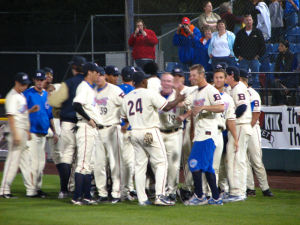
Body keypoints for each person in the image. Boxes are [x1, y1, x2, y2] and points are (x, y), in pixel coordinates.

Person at [120, 71, 185, 206]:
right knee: (161, 163)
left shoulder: (127, 97)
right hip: (149, 132)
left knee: (140, 166)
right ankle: (160, 196)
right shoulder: (149, 93)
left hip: (135, 133)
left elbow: (124, 117)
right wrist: (179, 99)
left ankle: (142, 199)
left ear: (133, 83)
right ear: (143, 82)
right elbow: (166, 107)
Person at [181, 64, 224, 206]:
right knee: (206, 167)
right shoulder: (195, 92)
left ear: (201, 75)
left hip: (208, 133)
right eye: (190, 75)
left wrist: (204, 107)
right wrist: (184, 115)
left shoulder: (211, 90)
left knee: (193, 162)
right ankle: (215, 198)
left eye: (193, 75)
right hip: (199, 134)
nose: (190, 78)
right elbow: (192, 108)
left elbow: (221, 107)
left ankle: (200, 196)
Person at [48, 55, 86, 198]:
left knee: (67, 156)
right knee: (83, 158)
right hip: (84, 124)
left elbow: (54, 102)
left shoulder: (69, 82)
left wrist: (63, 103)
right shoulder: (89, 83)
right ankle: (81, 190)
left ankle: (64, 190)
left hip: (68, 123)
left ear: (74, 68)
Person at [71, 62, 103, 205]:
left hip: (91, 129)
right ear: (89, 72)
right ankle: (76, 197)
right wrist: (89, 119)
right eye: (96, 72)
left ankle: (86, 196)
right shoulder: (83, 86)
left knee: (89, 164)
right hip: (85, 127)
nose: (98, 75)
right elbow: (76, 105)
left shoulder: (90, 88)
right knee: (83, 163)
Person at [239, 69, 274, 197]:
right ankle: (250, 188)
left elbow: (255, 116)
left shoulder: (252, 93)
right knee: (244, 159)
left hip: (252, 129)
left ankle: (265, 188)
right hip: (241, 128)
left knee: (256, 160)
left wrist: (246, 130)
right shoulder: (236, 92)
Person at [23, 70, 58, 198]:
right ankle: (31, 191)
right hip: (31, 133)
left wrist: (54, 132)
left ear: (44, 81)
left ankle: (37, 188)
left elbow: (49, 116)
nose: (39, 82)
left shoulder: (45, 95)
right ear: (34, 80)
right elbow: (21, 112)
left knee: (40, 164)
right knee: (32, 163)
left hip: (43, 133)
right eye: (37, 80)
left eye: (41, 80)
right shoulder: (27, 94)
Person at [93, 66, 124, 204]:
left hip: (113, 129)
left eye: (101, 75)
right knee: (98, 164)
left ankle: (116, 193)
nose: (99, 77)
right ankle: (102, 193)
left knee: (115, 163)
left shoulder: (115, 90)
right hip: (97, 130)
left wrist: (126, 123)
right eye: (96, 75)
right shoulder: (90, 91)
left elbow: (127, 106)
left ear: (105, 76)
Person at [0, 73, 34, 198]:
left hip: (22, 130)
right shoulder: (12, 96)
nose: (24, 86)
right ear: (16, 82)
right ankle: (3, 190)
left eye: (26, 84)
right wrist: (16, 134)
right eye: (22, 83)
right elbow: (11, 117)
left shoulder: (21, 95)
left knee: (26, 162)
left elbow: (23, 115)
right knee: (12, 162)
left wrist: (27, 131)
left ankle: (31, 191)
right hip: (16, 131)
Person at [223, 66, 252, 203]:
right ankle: (240, 190)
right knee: (239, 160)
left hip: (240, 126)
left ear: (231, 75)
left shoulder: (239, 88)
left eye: (226, 75)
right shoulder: (235, 87)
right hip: (241, 126)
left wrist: (231, 117)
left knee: (236, 159)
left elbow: (242, 106)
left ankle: (237, 192)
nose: (225, 78)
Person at [158, 73, 186, 203]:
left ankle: (172, 191)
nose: (166, 83)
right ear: (160, 82)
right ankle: (161, 191)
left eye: (169, 81)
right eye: (164, 80)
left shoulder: (179, 94)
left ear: (173, 82)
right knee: (159, 164)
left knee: (174, 165)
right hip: (160, 132)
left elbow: (189, 108)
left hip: (175, 132)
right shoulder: (155, 94)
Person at [118, 66, 137, 201]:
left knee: (119, 162)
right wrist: (128, 124)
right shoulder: (134, 91)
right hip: (129, 131)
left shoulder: (116, 89)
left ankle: (122, 189)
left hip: (116, 130)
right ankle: (127, 190)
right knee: (130, 163)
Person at [233, 14, 266, 89]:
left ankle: (256, 96)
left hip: (254, 60)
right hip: (243, 60)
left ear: (252, 21)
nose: (248, 22)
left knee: (256, 79)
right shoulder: (240, 33)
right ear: (244, 21)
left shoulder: (258, 32)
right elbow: (235, 47)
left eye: (250, 20)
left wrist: (258, 56)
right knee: (242, 79)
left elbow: (263, 46)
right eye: (246, 20)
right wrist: (238, 56)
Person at [273, 39, 295, 105]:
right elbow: (276, 69)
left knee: (276, 84)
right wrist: (279, 80)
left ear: (286, 47)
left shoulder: (291, 56)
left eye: (281, 46)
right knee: (274, 83)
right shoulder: (279, 56)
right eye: (279, 46)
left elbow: (288, 70)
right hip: (281, 80)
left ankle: (281, 102)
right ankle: (279, 102)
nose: (279, 47)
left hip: (290, 80)